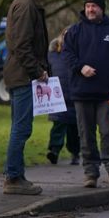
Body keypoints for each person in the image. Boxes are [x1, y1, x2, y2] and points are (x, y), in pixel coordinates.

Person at [62, 0, 109, 188]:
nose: (90, 10)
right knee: (86, 135)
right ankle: (90, 174)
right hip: (81, 93)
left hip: (106, 93)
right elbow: (67, 55)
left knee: (108, 132)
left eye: (94, 6)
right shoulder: (74, 32)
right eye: (87, 6)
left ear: (102, 9)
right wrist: (80, 67)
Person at [2, 0, 56, 195]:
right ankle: (13, 178)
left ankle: (16, 175)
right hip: (23, 76)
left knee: (19, 127)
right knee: (21, 128)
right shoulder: (27, 6)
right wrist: (37, 71)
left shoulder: (22, 2)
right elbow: (22, 46)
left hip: (17, 73)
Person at [46, 29, 80, 165]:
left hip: (74, 96)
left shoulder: (78, 55)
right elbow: (46, 70)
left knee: (74, 129)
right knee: (58, 126)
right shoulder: (52, 54)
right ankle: (54, 151)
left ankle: (75, 153)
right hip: (57, 96)